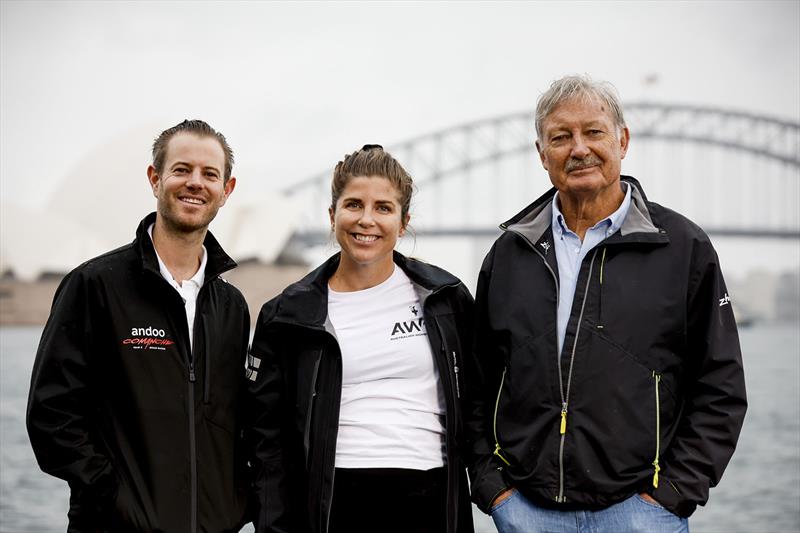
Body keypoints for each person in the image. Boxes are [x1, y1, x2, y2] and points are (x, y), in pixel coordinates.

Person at [467, 75, 747, 532]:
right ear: (542, 154)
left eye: (593, 132)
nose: (578, 148)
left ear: (623, 140)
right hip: (526, 512)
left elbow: (721, 387)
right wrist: (492, 487)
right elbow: (478, 384)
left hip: (641, 515)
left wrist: (672, 494)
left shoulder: (682, 248)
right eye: (560, 137)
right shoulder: (510, 254)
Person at [27, 120, 252, 532]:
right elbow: (51, 414)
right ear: (155, 178)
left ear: (227, 189)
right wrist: (115, 498)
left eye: (209, 174)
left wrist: (237, 504)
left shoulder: (231, 306)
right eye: (182, 169)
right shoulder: (94, 285)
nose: (195, 183)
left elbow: (237, 421)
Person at [245, 145, 475, 533]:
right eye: (354, 205)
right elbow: (267, 442)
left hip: (432, 500)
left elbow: (481, 403)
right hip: (335, 503)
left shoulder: (446, 299)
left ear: (403, 223)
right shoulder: (287, 316)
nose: (367, 220)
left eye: (383, 208)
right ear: (333, 215)